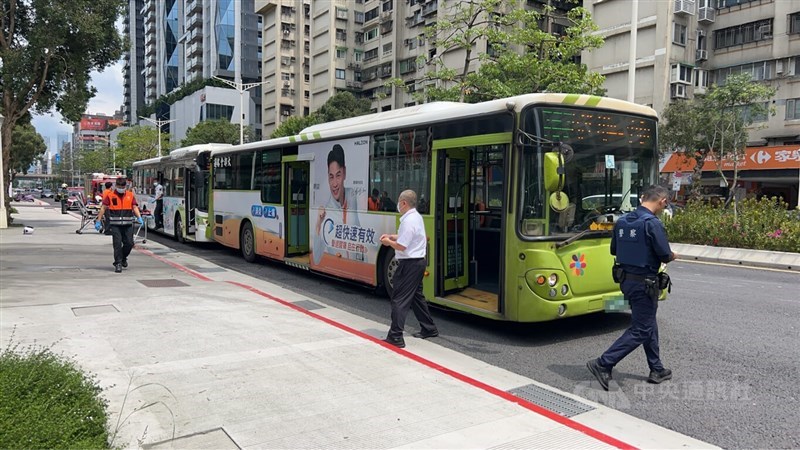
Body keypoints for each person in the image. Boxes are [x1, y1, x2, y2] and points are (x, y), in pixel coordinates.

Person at [587, 185, 677, 390]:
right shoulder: (652, 223)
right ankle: (603, 363)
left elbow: (614, 250)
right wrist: (673, 255)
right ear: (662, 202)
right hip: (645, 283)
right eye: (665, 205)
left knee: (648, 322)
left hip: (626, 280)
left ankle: (657, 368)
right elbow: (664, 255)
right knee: (641, 328)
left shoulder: (622, 221)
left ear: (643, 198)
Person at [379, 190, 438, 348]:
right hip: (418, 263)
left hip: (409, 264)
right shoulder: (416, 217)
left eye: (399, 202)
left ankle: (396, 336)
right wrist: (392, 236)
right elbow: (408, 237)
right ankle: (429, 328)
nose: (397, 205)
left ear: (404, 203)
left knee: (399, 298)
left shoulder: (408, 220)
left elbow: (402, 246)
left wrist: (388, 242)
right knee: (416, 297)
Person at [312, 145, 361, 265]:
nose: (334, 184)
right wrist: (318, 224)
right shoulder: (325, 212)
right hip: (341, 267)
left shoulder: (353, 196)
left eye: (338, 175)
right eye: (331, 177)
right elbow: (316, 259)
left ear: (344, 173)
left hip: (356, 268)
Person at [94, 177, 144, 273]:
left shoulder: (130, 195)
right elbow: (103, 208)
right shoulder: (110, 195)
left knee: (129, 243)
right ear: (116, 186)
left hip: (128, 224)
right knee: (117, 244)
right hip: (115, 224)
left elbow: (134, 207)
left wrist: (139, 217)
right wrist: (98, 220)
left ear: (125, 186)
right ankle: (118, 263)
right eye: (119, 186)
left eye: (123, 186)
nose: (121, 188)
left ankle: (123, 257)